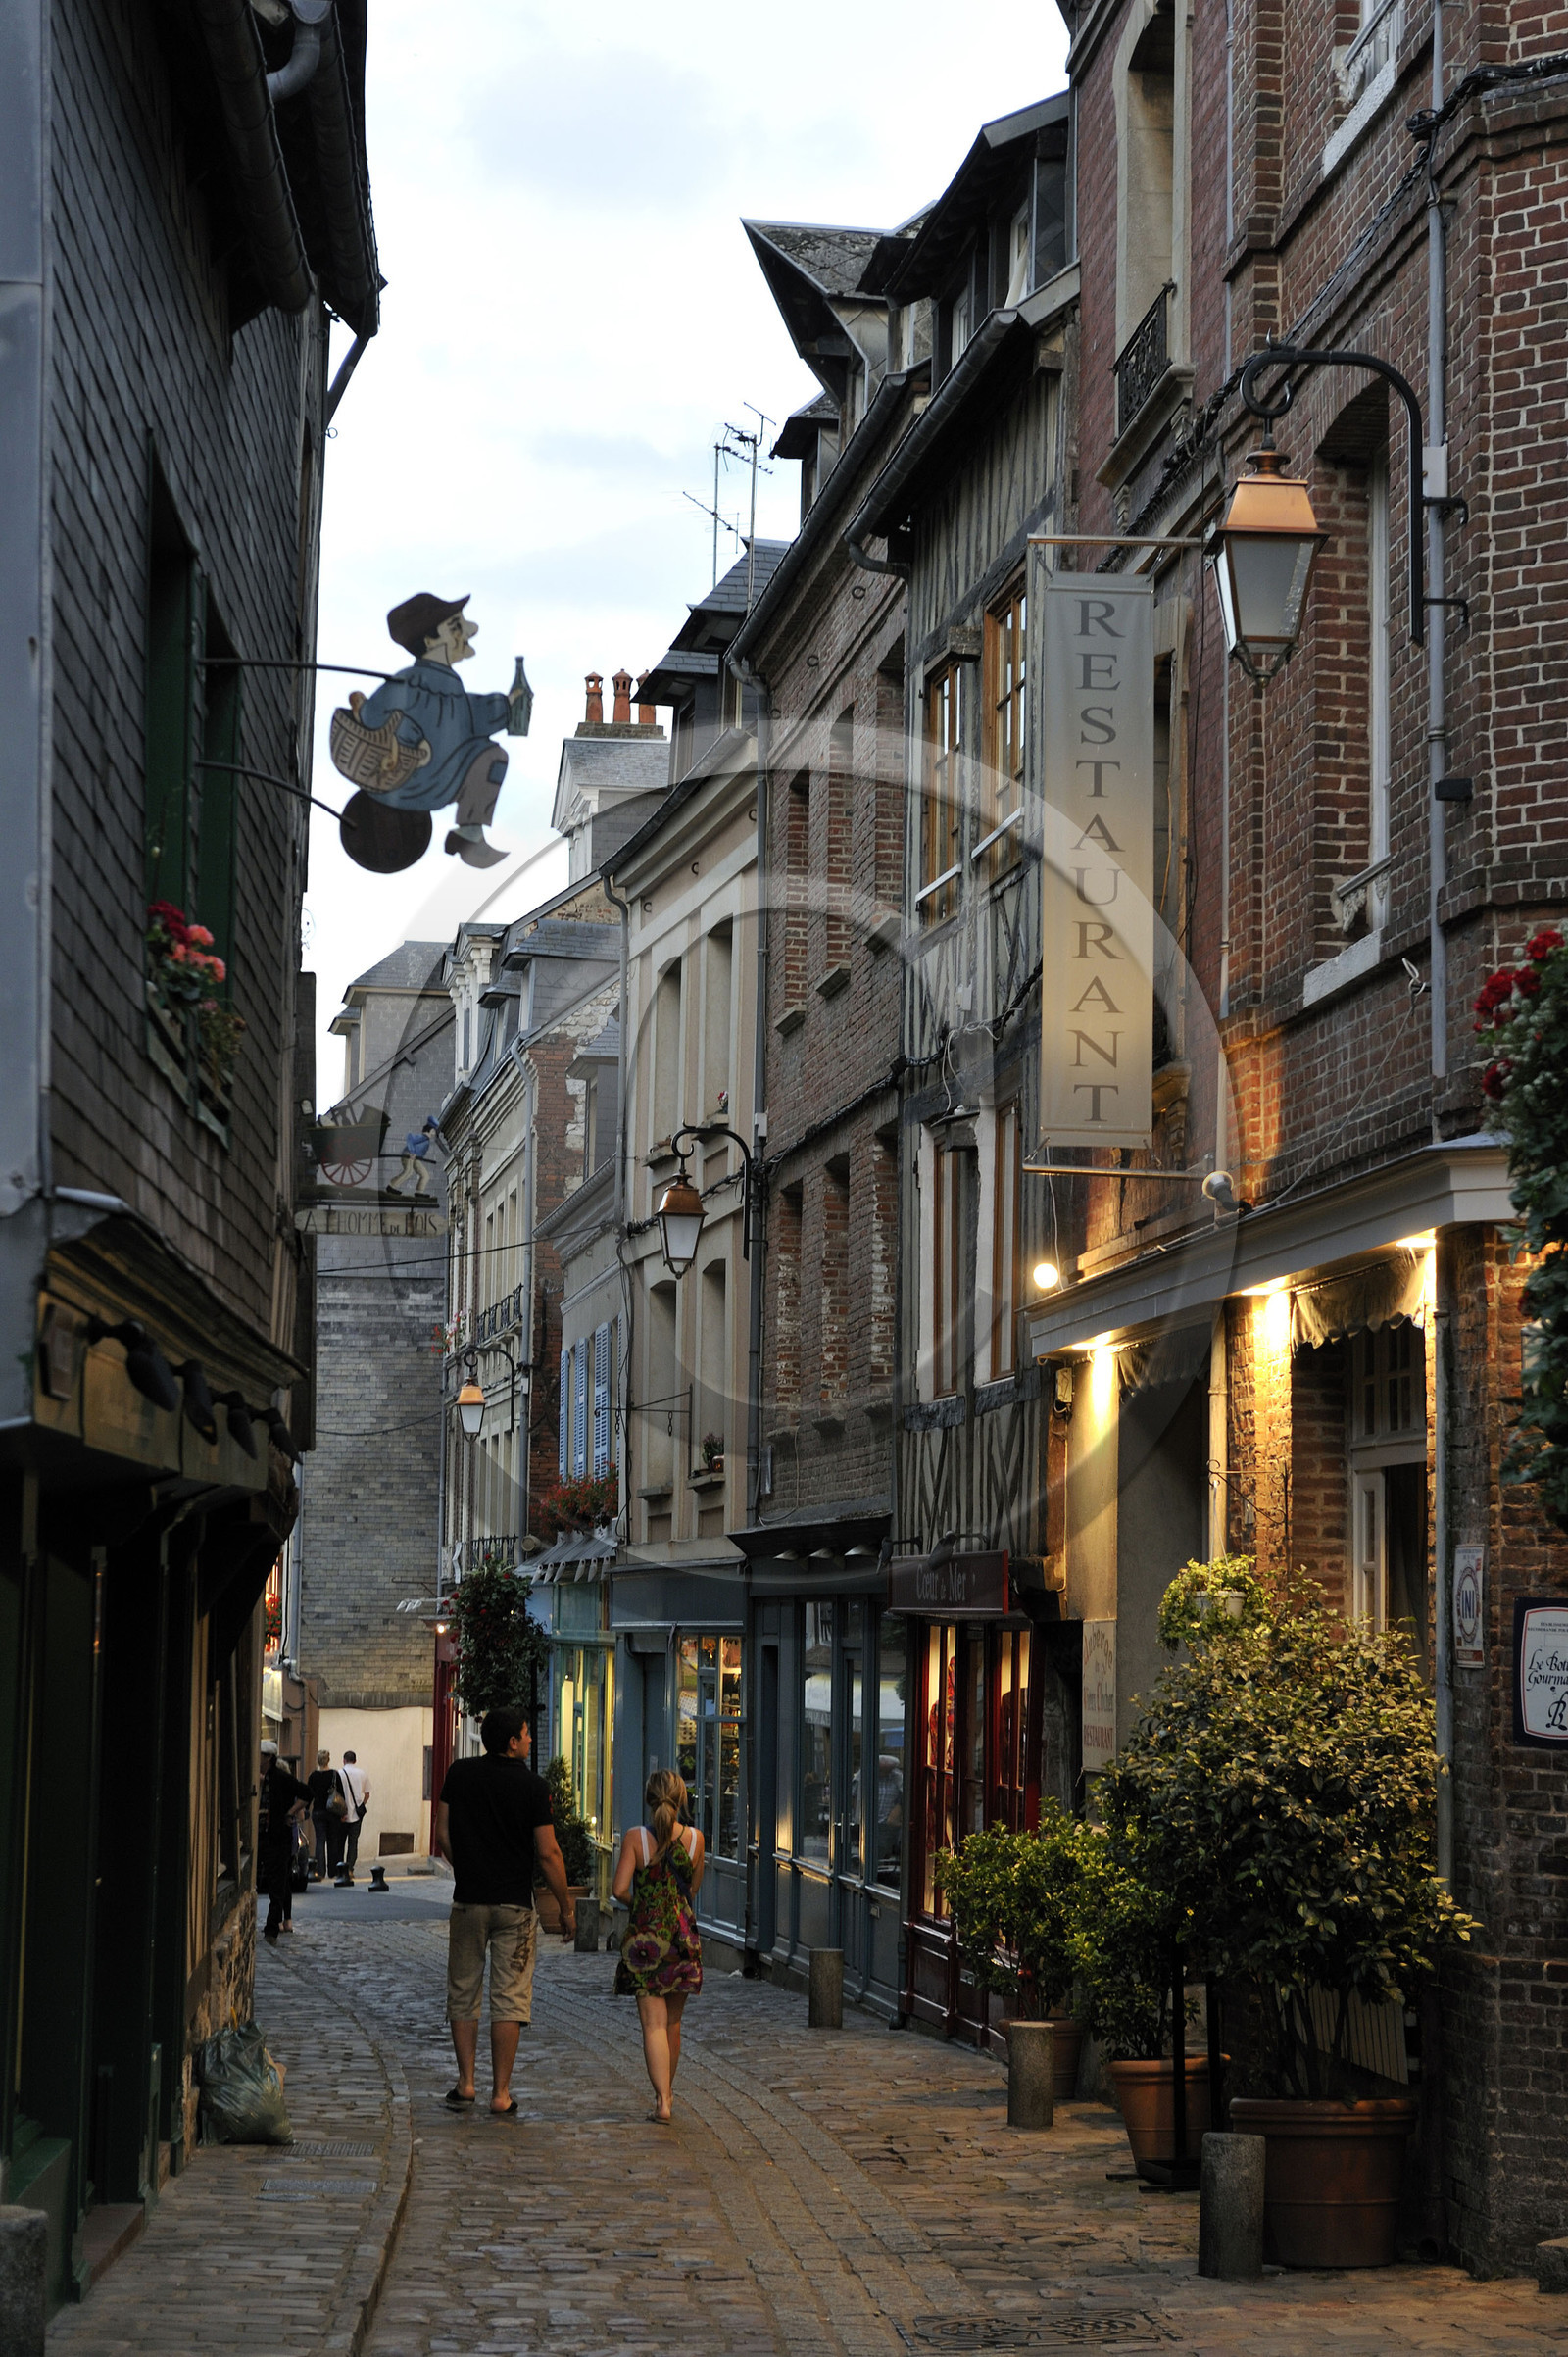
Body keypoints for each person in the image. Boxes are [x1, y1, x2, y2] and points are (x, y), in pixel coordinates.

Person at [436, 1706, 576, 2118]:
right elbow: (548, 1853)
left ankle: (466, 2083)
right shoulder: (533, 1787)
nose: (531, 1739)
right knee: (509, 1996)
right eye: (527, 1734)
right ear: (512, 1742)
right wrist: (565, 1907)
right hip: (515, 1905)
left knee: (463, 1989)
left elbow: (442, 1833)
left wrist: (467, 1868)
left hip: (469, 1899)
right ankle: (500, 2092)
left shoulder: (459, 1774)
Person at [342, 595, 530, 868]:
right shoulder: (409, 682)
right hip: (411, 779)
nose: (469, 631)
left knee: (491, 752)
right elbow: (377, 714)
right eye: (455, 626)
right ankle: (470, 832)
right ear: (430, 641)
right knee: (493, 756)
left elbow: (469, 713)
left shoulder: (447, 685)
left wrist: (506, 704)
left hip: (434, 779)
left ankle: (469, 833)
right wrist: (408, 739)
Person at [612, 1769, 705, 2126]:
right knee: (673, 2024)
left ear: (649, 1799)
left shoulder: (636, 1838)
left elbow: (619, 1889)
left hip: (646, 1942)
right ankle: (667, 2095)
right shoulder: (695, 1840)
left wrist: (644, 1905)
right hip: (682, 1940)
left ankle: (662, 2101)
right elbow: (691, 1890)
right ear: (681, 1799)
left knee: (653, 2025)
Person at [259, 1740, 312, 1943]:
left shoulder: (281, 1778)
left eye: (260, 1756)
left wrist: (290, 1812)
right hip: (262, 1836)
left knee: (277, 1885)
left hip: (278, 1837)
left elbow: (307, 1793)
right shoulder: (261, 1778)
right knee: (269, 1883)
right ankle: (271, 1927)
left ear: (268, 1758)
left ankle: (271, 1929)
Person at [308, 1749, 347, 1883]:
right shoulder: (334, 1775)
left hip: (318, 1811)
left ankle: (320, 1871)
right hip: (332, 1813)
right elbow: (341, 1794)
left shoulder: (313, 1776)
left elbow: (308, 1795)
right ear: (328, 1760)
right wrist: (343, 1813)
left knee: (320, 1841)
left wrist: (306, 1810)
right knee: (333, 1841)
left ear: (318, 1761)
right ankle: (332, 1871)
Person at [339, 1750, 370, 1879]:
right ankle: (350, 1869)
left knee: (340, 1842)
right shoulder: (362, 1773)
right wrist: (361, 1805)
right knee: (353, 1843)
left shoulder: (339, 1773)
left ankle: (340, 1869)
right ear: (355, 1760)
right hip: (357, 1815)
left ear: (344, 1760)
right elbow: (367, 1794)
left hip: (342, 1814)